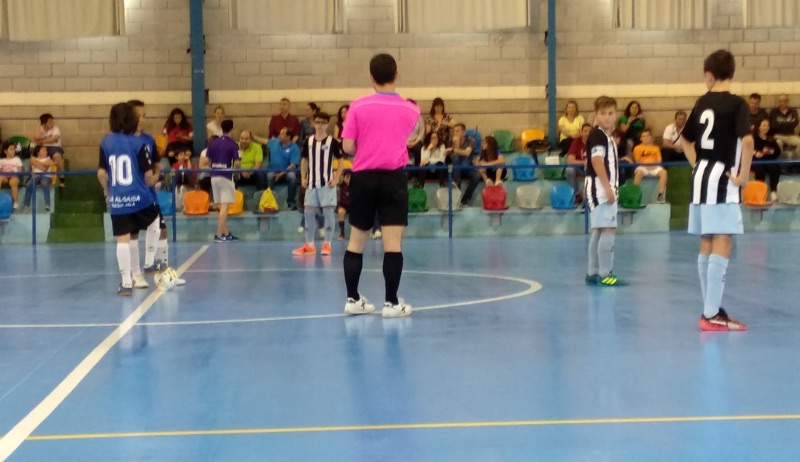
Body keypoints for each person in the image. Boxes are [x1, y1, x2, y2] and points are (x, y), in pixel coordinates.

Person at [679, 49, 754, 331]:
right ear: (732, 73)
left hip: (701, 177)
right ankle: (711, 313)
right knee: (723, 240)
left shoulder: (702, 102)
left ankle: (709, 309)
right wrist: (743, 176)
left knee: (707, 241)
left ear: (709, 75)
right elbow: (748, 142)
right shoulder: (737, 104)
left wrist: (697, 164)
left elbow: (685, 140)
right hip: (722, 178)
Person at [341, 53, 420, 318]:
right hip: (393, 179)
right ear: (396, 76)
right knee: (393, 243)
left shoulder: (357, 107)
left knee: (356, 241)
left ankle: (352, 298)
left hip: (362, 178)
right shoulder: (411, 110)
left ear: (371, 78)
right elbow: (408, 138)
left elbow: (347, 146)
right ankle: (391, 303)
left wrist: (367, 148)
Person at [97, 102, 160, 296]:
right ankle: (149, 262)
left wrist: (108, 193)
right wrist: (153, 179)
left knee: (122, 240)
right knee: (155, 221)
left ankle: (126, 283)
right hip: (139, 197)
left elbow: (101, 173)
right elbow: (148, 175)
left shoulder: (105, 142)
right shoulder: (138, 143)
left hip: (118, 200)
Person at [129, 100, 184, 286]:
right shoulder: (123, 141)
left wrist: (155, 175)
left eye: (144, 116)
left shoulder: (149, 140)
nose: (142, 120)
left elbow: (156, 164)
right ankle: (133, 274)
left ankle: (159, 268)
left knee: (161, 229)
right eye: (138, 116)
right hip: (132, 195)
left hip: (149, 194)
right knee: (132, 234)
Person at [585, 96, 628, 287]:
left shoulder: (605, 136)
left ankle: (592, 272)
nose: (607, 117)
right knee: (609, 229)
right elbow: (596, 161)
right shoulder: (599, 135)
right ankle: (605, 274)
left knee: (599, 229)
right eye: (603, 113)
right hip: (601, 188)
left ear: (616, 114)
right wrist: (608, 188)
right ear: (596, 115)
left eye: (611, 113)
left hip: (598, 188)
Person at [293, 112, 344, 256]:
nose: (320, 125)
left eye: (323, 122)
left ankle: (327, 244)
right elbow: (304, 160)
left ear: (327, 125)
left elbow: (340, 161)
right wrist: (303, 177)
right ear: (313, 124)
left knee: (328, 214)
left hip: (327, 184)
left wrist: (336, 178)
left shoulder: (332, 142)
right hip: (311, 184)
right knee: (308, 214)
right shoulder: (308, 141)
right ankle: (309, 245)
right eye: (317, 122)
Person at [206, 119, 241, 242]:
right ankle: (219, 234)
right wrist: (238, 173)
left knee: (221, 208)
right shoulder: (233, 144)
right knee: (225, 207)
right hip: (225, 177)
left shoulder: (213, 143)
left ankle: (226, 233)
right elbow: (237, 163)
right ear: (232, 129)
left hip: (214, 176)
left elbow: (207, 161)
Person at [266, 128, 300, 210]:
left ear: (288, 137)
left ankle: (291, 203)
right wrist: (253, 136)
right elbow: (265, 141)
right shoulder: (275, 142)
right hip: (273, 170)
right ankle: (270, 203)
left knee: (292, 176)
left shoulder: (294, 147)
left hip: (287, 172)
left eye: (282, 134)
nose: (279, 136)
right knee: (270, 176)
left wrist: (281, 174)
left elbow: (293, 165)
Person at [632, 128, 667, 203]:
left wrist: (653, 166)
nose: (646, 138)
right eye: (643, 136)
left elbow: (659, 160)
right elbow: (637, 161)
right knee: (638, 174)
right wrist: (647, 166)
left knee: (663, 173)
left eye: (648, 136)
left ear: (651, 137)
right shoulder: (637, 148)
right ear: (641, 139)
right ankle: (634, 196)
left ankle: (660, 196)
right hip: (642, 166)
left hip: (654, 166)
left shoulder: (656, 148)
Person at [31, 113, 66, 187]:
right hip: (42, 148)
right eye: (49, 122)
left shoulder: (56, 129)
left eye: (52, 122)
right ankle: (32, 177)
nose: (52, 124)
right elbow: (36, 137)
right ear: (44, 124)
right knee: (32, 158)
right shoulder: (40, 128)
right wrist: (38, 124)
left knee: (57, 157)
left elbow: (54, 140)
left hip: (54, 148)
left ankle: (61, 178)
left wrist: (41, 141)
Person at [752, 118, 781, 202]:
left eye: (767, 126)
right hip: (757, 161)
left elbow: (778, 151)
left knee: (775, 168)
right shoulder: (753, 138)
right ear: (759, 127)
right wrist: (755, 153)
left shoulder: (770, 138)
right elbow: (749, 150)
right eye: (764, 125)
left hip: (770, 160)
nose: (766, 128)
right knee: (759, 169)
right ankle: (760, 193)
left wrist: (769, 151)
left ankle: (773, 191)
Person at [565, 123, 592, 204]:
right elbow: (570, 160)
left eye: (590, 131)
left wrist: (589, 164)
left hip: (592, 169)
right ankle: (576, 195)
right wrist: (584, 162)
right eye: (585, 131)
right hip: (579, 169)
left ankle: (589, 198)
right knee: (569, 170)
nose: (587, 133)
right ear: (581, 132)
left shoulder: (595, 142)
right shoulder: (576, 142)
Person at [21, 145, 51, 212]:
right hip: (36, 176)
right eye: (43, 150)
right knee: (29, 184)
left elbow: (47, 165)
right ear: (38, 152)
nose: (46, 152)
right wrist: (42, 166)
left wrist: (36, 163)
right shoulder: (33, 158)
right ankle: (26, 205)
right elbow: (42, 168)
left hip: (46, 176)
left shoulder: (48, 158)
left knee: (44, 182)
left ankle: (47, 204)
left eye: (46, 150)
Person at [0, 140, 24, 210]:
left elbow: (20, 171)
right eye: (11, 149)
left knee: (12, 182)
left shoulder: (17, 159)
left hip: (15, 177)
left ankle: (15, 202)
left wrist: (15, 174)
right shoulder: (1, 161)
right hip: (5, 177)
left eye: (14, 149)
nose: (13, 151)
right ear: (5, 151)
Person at [337, 171, 351, 241]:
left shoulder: (355, 184)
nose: (348, 179)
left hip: (353, 205)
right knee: (340, 212)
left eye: (350, 177)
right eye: (347, 177)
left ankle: (354, 233)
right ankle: (342, 233)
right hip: (343, 204)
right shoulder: (342, 184)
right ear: (344, 178)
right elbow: (339, 179)